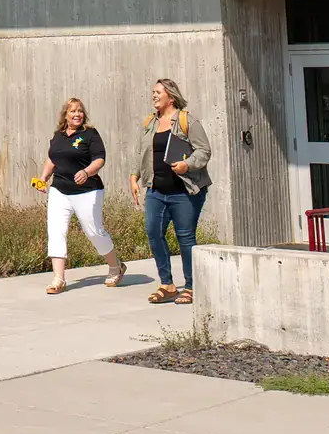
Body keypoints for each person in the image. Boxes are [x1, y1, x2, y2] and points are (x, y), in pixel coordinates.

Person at [132, 78, 212, 305]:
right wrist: (134, 176)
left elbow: (204, 151)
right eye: (153, 92)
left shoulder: (187, 121)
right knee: (153, 232)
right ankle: (167, 284)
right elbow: (141, 152)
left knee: (185, 237)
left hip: (184, 191)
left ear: (170, 95)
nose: (154, 96)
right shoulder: (150, 122)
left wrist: (188, 165)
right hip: (156, 190)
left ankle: (191, 286)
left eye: (158, 92)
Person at [41, 97, 124, 294]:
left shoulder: (90, 134)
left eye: (80, 111)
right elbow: (52, 158)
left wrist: (87, 172)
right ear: (65, 115)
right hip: (59, 190)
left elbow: (99, 159)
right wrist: (43, 177)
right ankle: (58, 279)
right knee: (56, 231)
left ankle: (115, 266)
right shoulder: (58, 136)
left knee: (94, 231)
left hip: (88, 190)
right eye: (72, 111)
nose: (77, 114)